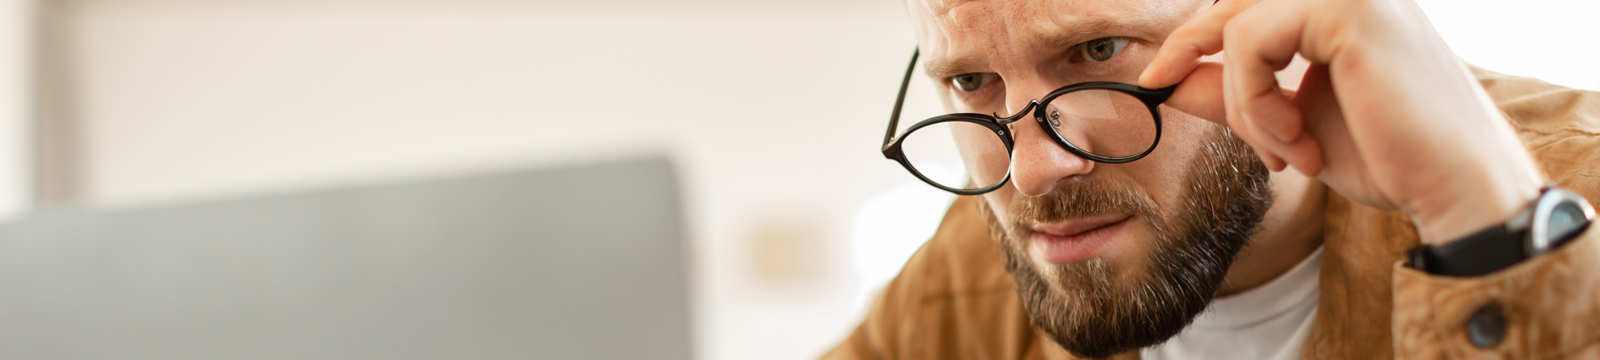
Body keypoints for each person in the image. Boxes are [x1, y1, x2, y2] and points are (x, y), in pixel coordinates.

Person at [825, 0, 1600, 358]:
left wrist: (1488, 232)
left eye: (1098, 51)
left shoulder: (1575, 181)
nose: (1031, 171)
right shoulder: (962, 282)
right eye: (969, 83)